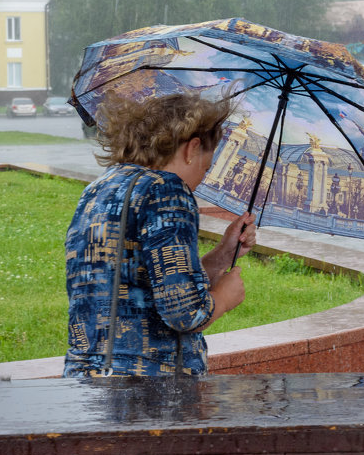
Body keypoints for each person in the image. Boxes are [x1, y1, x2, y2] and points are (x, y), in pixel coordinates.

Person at [63, 90, 255, 378]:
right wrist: (224, 297)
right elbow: (185, 313)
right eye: (206, 166)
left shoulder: (99, 189)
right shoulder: (167, 190)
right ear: (192, 148)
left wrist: (223, 255)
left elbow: (143, 285)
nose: (201, 179)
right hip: (150, 389)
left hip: (87, 377)